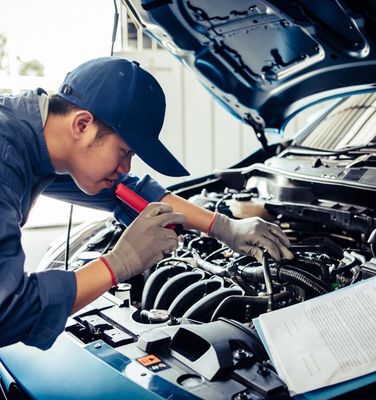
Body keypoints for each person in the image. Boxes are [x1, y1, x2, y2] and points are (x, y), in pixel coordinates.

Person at [0, 57, 293, 350]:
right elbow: (8, 310)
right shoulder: (4, 156)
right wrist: (116, 264)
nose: (126, 167)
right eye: (125, 152)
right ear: (82, 124)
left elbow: (130, 193)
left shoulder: (42, 139)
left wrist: (225, 227)